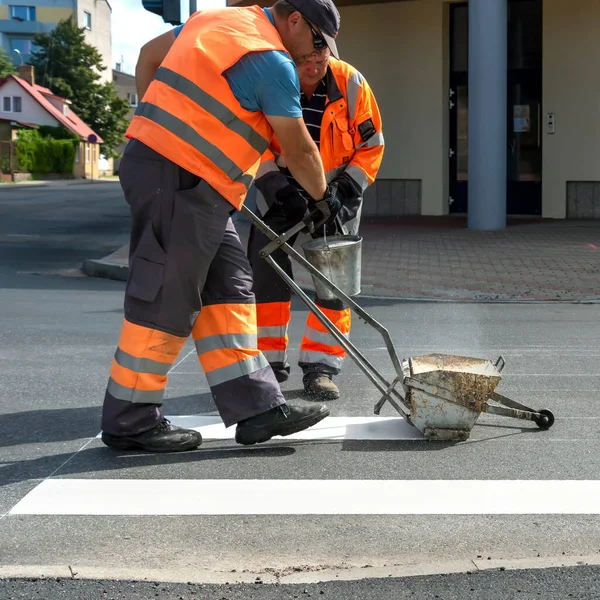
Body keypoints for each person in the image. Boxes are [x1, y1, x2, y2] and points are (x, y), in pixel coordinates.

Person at [100, 0, 344, 453]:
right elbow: (300, 149)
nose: (315, 54)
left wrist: (155, 126)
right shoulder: (271, 61)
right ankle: (130, 419)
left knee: (230, 287)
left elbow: (149, 58)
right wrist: (321, 197)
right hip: (178, 178)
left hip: (195, 183)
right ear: (295, 20)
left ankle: (257, 408)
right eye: (316, 41)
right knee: (166, 299)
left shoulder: (215, 20)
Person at [245, 48, 384, 400]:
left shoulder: (351, 83)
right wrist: (276, 186)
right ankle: (269, 366)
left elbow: (372, 144)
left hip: (336, 192)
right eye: (304, 61)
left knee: (335, 280)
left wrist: (345, 188)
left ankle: (321, 368)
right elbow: (251, 141)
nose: (312, 69)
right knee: (267, 275)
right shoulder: (269, 75)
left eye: (320, 61)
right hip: (278, 188)